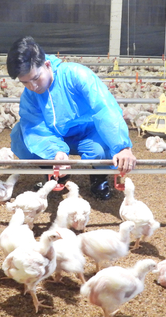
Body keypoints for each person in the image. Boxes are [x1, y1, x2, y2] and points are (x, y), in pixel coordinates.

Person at [7, 36, 136, 200]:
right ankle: (55, 172)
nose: (33, 86)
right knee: (21, 135)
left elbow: (104, 107)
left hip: (88, 133)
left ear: (46, 65)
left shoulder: (76, 75)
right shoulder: (30, 96)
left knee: (100, 149)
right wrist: (55, 152)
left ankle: (99, 176)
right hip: (57, 136)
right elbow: (35, 127)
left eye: (35, 78)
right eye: (25, 82)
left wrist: (122, 147)